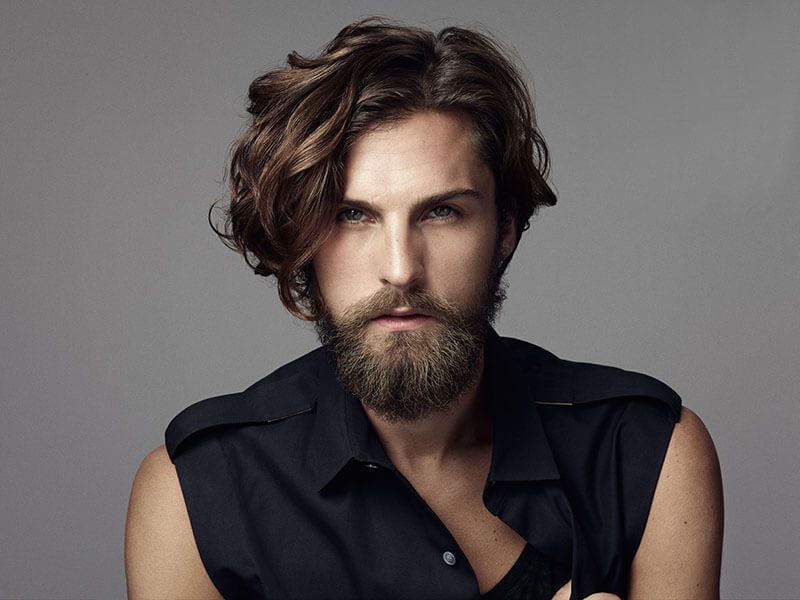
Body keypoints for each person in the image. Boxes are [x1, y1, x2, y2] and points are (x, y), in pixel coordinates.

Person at [125, 18, 723, 600]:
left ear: (506, 228)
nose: (401, 268)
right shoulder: (197, 493)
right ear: (301, 236)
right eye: (351, 215)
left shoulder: (646, 451)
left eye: (442, 212)